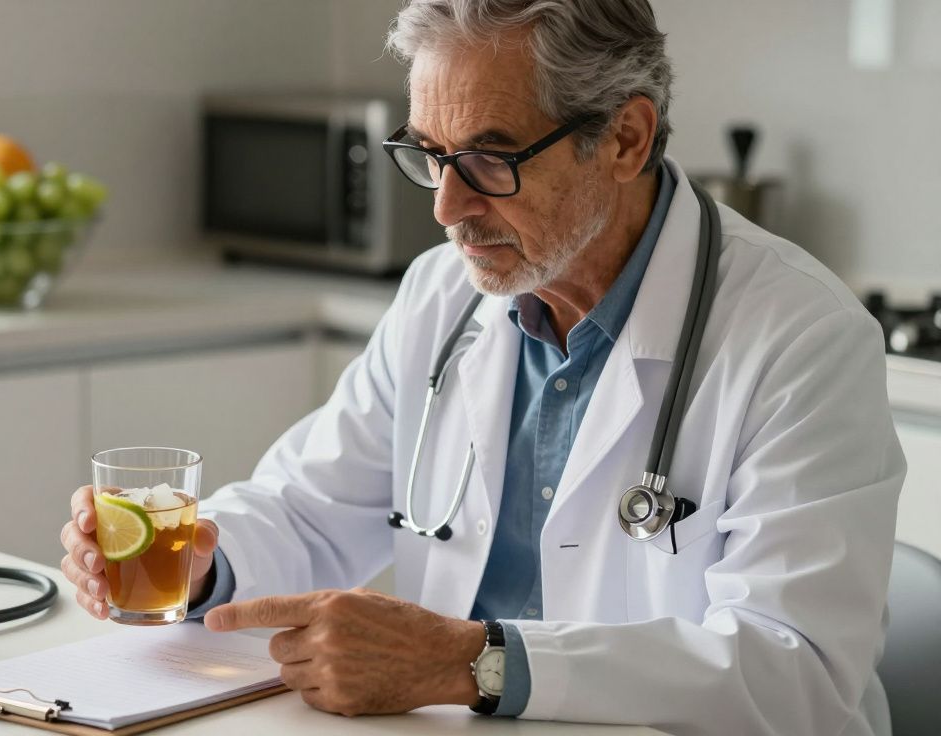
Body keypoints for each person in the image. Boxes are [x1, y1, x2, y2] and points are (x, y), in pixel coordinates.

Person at [61, 1, 906, 733]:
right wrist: (205, 559)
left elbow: (795, 673)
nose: (444, 207)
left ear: (625, 137)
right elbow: (313, 509)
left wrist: (478, 664)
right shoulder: (443, 295)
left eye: (489, 160)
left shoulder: (801, 337)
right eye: (429, 152)